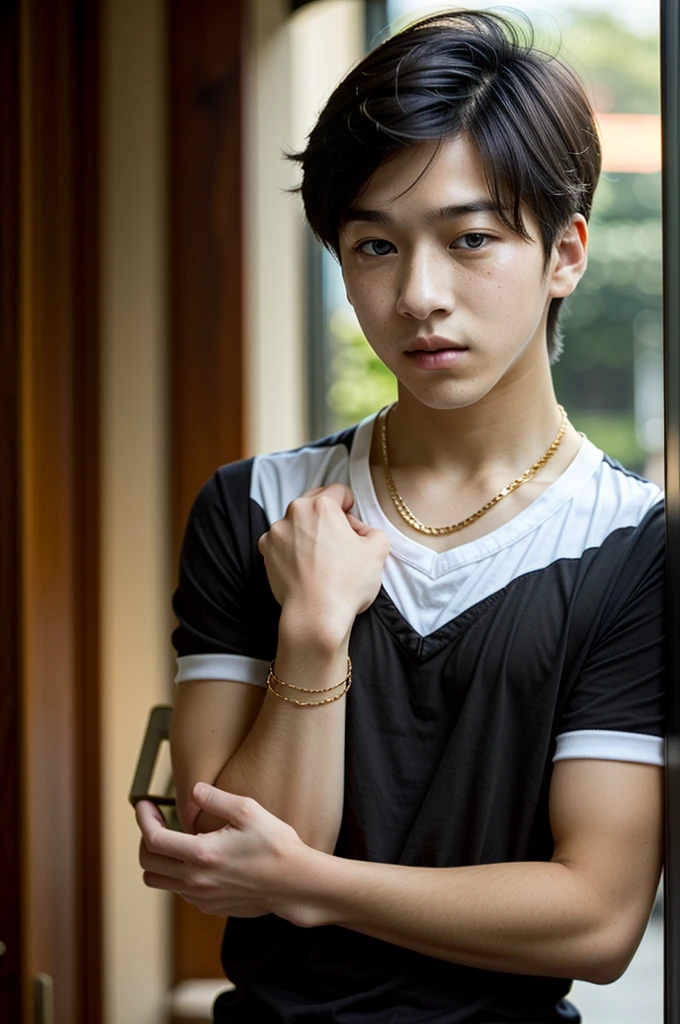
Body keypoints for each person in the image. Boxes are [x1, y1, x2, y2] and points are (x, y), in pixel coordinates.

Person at [135, 10, 665, 1023]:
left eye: (470, 240)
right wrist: (312, 632)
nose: (419, 295)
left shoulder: (634, 546)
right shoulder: (252, 504)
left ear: (564, 253)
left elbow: (595, 919)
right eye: (374, 244)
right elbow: (220, 853)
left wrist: (307, 882)